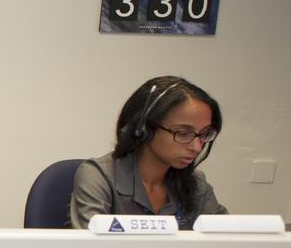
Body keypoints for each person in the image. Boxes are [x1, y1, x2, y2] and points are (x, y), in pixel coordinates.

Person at [70, 76, 227, 229]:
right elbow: (91, 244)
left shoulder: (197, 184)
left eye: (205, 134)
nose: (197, 147)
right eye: (183, 133)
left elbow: (227, 238)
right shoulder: (99, 176)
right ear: (144, 129)